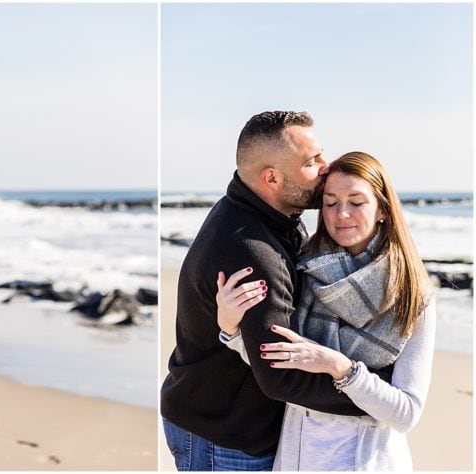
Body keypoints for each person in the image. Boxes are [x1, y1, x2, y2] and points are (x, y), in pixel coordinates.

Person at [159, 111, 392, 471]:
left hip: (220, 418)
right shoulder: (251, 252)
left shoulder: (273, 220)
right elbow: (279, 374)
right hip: (222, 436)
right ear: (271, 177)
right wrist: (378, 399)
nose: (325, 167)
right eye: (312, 162)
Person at [216, 151, 435, 470]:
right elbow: (278, 358)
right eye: (330, 202)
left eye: (356, 202)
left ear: (383, 210)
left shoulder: (412, 295)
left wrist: (341, 368)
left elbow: (406, 414)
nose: (341, 213)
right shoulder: (304, 270)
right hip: (297, 459)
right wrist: (232, 329)